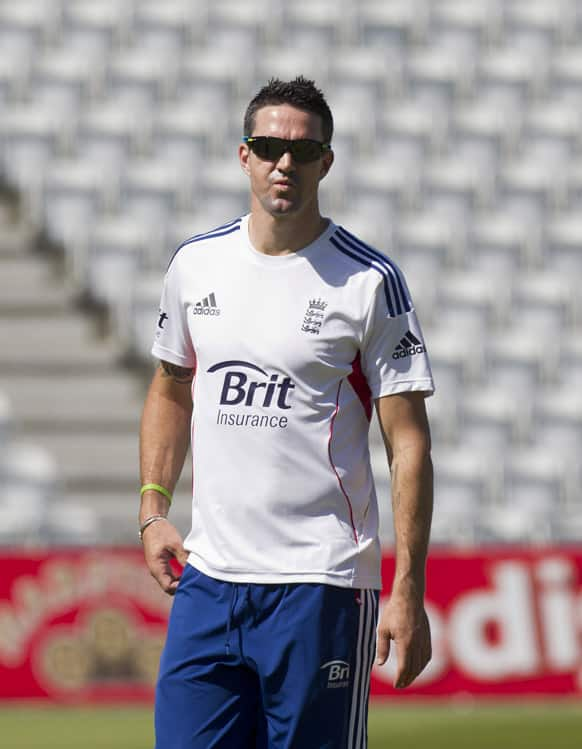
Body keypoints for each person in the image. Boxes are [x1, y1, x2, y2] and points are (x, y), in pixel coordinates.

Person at [139, 76, 434, 749]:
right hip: (209, 584)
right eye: (269, 145)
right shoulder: (196, 264)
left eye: (303, 151)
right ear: (243, 154)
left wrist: (407, 589)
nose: (285, 163)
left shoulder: (368, 282)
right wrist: (153, 508)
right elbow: (169, 387)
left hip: (319, 584)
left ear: (326, 162)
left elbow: (409, 443)